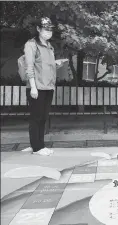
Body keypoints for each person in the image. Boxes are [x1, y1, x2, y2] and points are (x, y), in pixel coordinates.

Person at [22, 17, 64, 156]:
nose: (48, 31)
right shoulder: (31, 44)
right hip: (37, 87)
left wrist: (56, 64)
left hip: (48, 87)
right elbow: (30, 67)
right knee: (36, 117)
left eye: (50, 29)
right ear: (38, 29)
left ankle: (39, 144)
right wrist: (33, 87)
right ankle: (37, 147)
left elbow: (46, 66)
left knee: (43, 117)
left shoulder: (49, 46)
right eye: (45, 29)